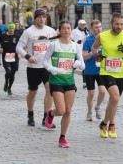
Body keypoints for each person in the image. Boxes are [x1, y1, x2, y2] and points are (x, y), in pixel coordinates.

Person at [91, 13, 123, 138]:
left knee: (114, 100)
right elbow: (94, 48)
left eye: (122, 24)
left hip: (120, 72)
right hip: (106, 71)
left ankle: (104, 124)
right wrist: (97, 55)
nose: (119, 26)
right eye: (117, 24)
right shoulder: (102, 36)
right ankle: (112, 124)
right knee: (116, 97)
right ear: (111, 23)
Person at [42, 19, 85, 148]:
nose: (66, 30)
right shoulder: (54, 45)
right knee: (60, 110)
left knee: (68, 111)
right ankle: (50, 114)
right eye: (64, 28)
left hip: (69, 81)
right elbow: (44, 61)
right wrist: (52, 69)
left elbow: (83, 65)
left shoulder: (75, 46)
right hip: (56, 80)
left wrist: (78, 63)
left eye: (68, 28)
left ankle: (62, 137)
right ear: (59, 31)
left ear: (71, 30)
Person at [16, 8, 57, 127]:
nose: (42, 19)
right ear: (35, 18)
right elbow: (18, 47)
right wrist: (27, 56)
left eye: (44, 17)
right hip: (33, 66)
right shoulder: (29, 32)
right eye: (39, 17)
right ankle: (30, 114)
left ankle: (46, 118)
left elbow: (55, 45)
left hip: (47, 66)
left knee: (50, 90)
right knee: (33, 92)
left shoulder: (51, 31)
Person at [82, 19, 106, 121]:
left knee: (103, 92)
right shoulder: (88, 40)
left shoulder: (105, 39)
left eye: (100, 27)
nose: (99, 29)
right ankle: (89, 112)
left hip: (101, 70)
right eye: (96, 27)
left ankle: (98, 107)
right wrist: (92, 52)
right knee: (91, 94)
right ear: (92, 29)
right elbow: (84, 56)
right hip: (90, 71)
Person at [0, 23, 21, 95]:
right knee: (8, 71)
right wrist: (0, 48)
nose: (11, 30)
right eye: (10, 28)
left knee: (12, 74)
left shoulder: (17, 36)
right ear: (8, 29)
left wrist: (19, 54)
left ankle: (9, 87)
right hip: (6, 56)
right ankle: (6, 82)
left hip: (14, 56)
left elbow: (21, 45)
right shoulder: (3, 36)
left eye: (13, 28)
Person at [71, 19, 89, 88]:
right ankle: (71, 79)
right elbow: (70, 39)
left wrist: (86, 33)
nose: (83, 26)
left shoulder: (86, 31)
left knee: (84, 66)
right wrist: (77, 41)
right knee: (73, 66)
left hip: (83, 51)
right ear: (78, 24)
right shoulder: (75, 31)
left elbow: (87, 39)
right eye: (82, 24)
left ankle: (84, 82)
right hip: (76, 51)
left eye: (84, 24)